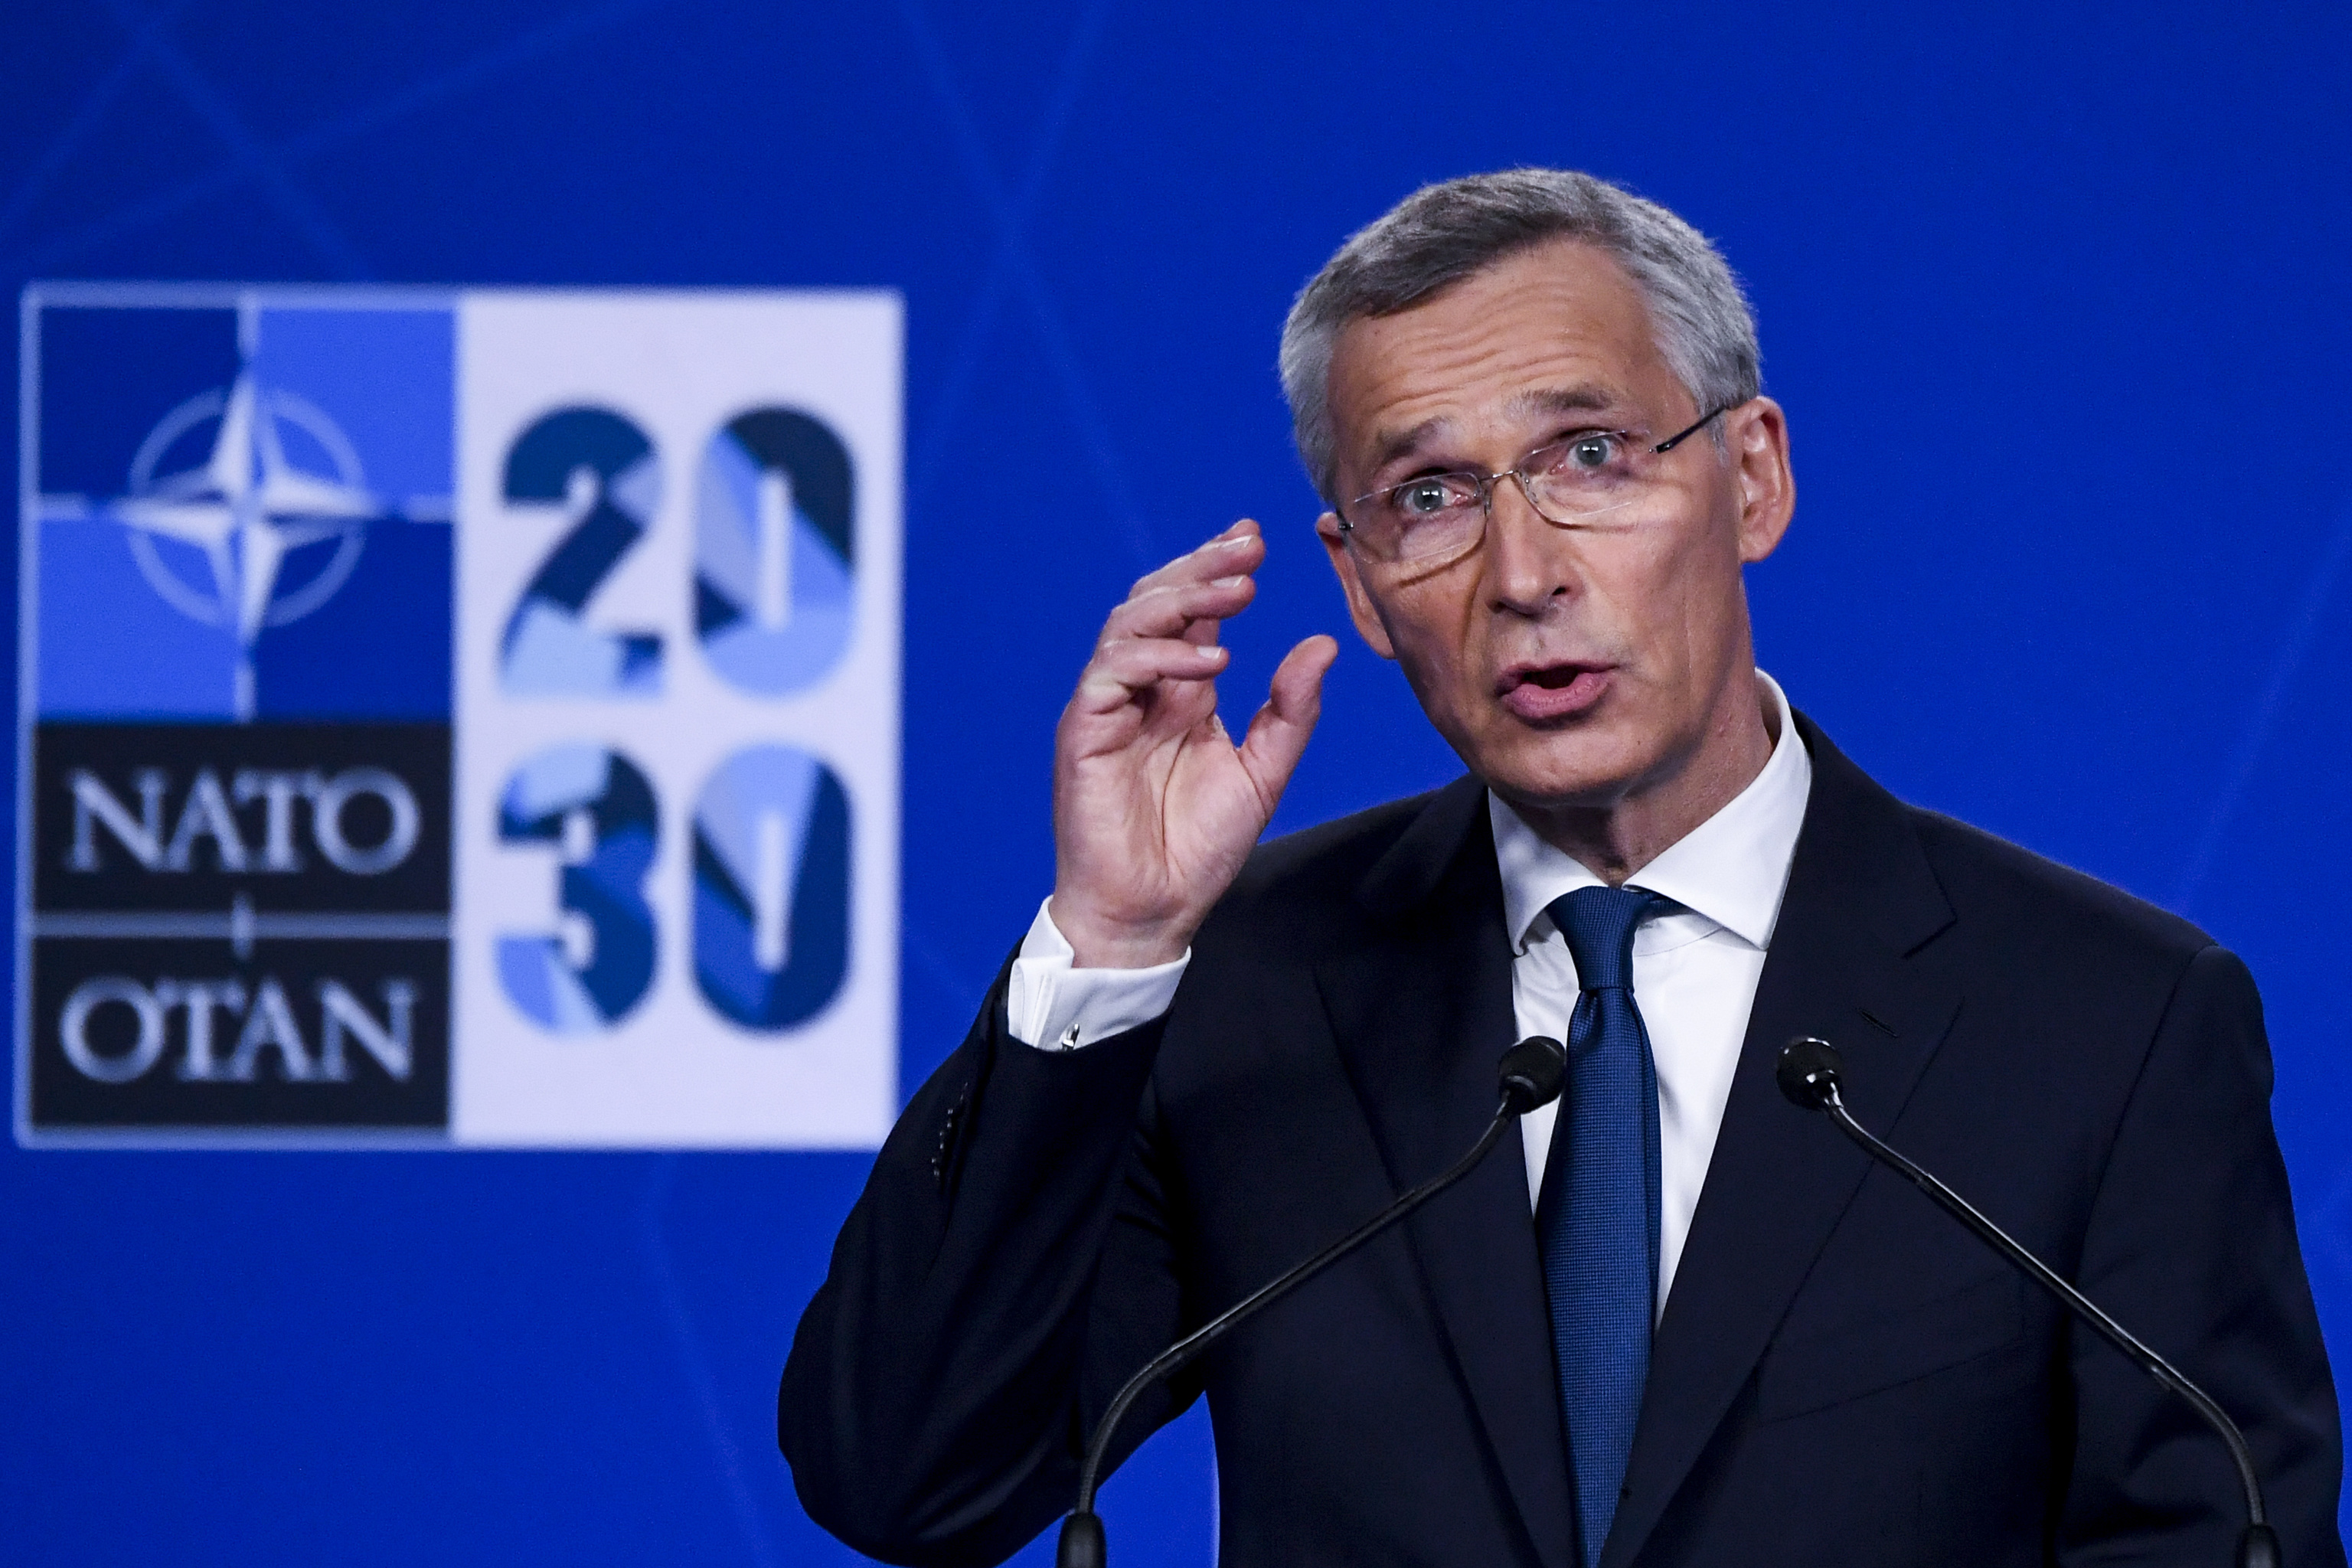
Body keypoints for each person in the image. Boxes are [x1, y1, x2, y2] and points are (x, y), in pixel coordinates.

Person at [779, 168, 2345, 1568]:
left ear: (1752, 477)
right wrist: (1112, 941)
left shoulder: (2109, 1021)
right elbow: (907, 1481)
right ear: (1362, 585)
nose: (1523, 574)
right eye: (1431, 499)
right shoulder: (1244, 987)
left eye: (1590, 455)